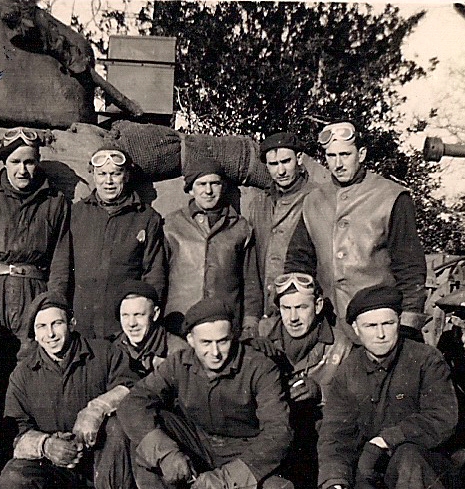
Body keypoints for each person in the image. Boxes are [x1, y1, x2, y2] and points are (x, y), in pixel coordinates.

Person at [310, 285, 460, 489]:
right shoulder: (348, 372)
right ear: (356, 330)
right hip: (377, 478)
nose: (380, 334)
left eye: (387, 324)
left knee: (408, 455)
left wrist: (386, 440)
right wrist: (334, 485)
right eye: (370, 326)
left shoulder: (425, 360)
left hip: (428, 474)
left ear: (398, 322)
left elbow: (442, 418)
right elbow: (335, 434)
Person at [118, 298, 294, 489]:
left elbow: (279, 432)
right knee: (149, 429)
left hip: (244, 451)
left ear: (234, 336)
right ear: (190, 340)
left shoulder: (260, 368)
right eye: (206, 343)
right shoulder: (179, 363)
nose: (215, 352)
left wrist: (226, 478)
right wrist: (166, 453)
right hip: (198, 444)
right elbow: (133, 402)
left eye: (223, 341)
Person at [0, 128, 73, 478]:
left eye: (30, 162)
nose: (23, 170)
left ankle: (23, 468)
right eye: (16, 162)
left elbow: (60, 263)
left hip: (35, 298)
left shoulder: (55, 202)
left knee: (29, 380)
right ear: (4, 162)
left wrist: (53, 307)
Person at [0, 293, 139, 489]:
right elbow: (16, 431)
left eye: (57, 324)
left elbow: (131, 388)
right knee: (12, 480)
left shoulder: (104, 353)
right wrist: (46, 445)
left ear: (71, 323)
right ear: (34, 333)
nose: (50, 334)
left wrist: (97, 408)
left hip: (102, 464)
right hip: (59, 470)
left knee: (118, 425)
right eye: (42, 327)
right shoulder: (23, 374)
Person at [284, 121, 428, 342]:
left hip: (379, 326)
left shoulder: (391, 196)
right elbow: (298, 261)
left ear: (361, 154)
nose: (338, 164)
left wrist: (408, 322)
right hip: (331, 328)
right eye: (331, 156)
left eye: (345, 155)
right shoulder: (313, 201)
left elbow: (410, 266)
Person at [259, 272, 352, 487]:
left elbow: (353, 401)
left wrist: (321, 392)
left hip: (320, 441)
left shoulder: (341, 344)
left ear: (318, 306)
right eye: (286, 308)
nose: (293, 318)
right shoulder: (263, 338)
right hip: (274, 435)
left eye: (301, 307)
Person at [161, 159, 263, 350]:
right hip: (179, 327)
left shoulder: (241, 228)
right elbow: (158, 276)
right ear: (190, 189)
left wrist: (250, 324)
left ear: (223, 187)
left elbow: (251, 284)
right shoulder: (171, 225)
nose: (208, 191)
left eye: (214, 183)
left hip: (224, 327)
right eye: (201, 184)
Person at [70, 146, 166, 340]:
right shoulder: (77, 213)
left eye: (115, 174)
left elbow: (154, 274)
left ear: (127, 175)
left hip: (123, 328)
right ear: (93, 175)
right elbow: (62, 267)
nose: (109, 181)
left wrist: (143, 320)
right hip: (82, 324)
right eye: (102, 174)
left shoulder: (146, 218)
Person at [245, 131, 331, 316]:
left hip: (304, 306)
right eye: (274, 164)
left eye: (286, 161)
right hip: (268, 308)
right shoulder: (258, 204)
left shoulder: (318, 198)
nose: (281, 171)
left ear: (299, 159)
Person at [111, 280, 168, 378]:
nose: (132, 323)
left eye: (138, 315)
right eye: (125, 315)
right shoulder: (112, 349)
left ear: (155, 314)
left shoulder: (176, 353)